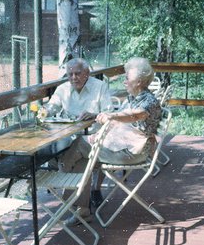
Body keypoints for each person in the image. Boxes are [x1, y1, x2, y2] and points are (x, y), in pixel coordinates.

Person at [62, 57, 162, 226]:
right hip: (126, 148)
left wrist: (111, 115)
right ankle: (82, 210)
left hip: (133, 154)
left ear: (138, 82)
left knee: (79, 145)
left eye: (127, 79)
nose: (124, 82)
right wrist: (101, 130)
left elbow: (134, 115)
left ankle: (63, 188)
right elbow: (119, 121)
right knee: (82, 159)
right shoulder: (134, 97)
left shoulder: (148, 101)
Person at [39, 58, 112, 170]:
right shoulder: (63, 89)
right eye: (70, 74)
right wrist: (43, 111)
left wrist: (95, 115)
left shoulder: (100, 87)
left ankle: (70, 180)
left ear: (87, 73)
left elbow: (109, 113)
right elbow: (52, 106)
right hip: (67, 136)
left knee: (74, 158)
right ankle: (58, 176)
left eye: (77, 73)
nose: (73, 78)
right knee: (48, 149)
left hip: (91, 137)